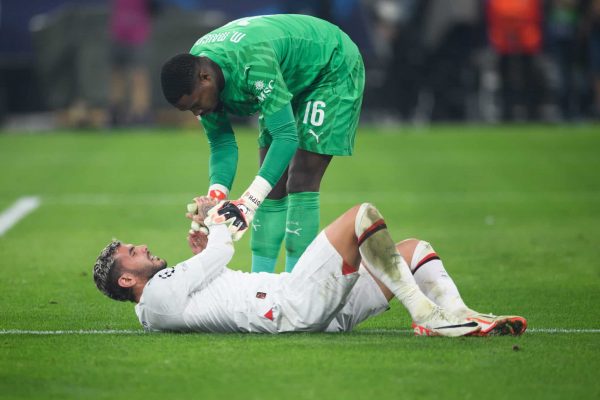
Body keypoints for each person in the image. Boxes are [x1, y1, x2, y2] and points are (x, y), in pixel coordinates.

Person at [93, 197, 527, 336]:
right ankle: (428, 315)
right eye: (132, 251)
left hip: (310, 308)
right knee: (361, 216)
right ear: (128, 279)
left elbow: (214, 280)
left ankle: (459, 314)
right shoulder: (156, 298)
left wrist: (205, 246)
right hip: (295, 304)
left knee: (413, 250)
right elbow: (222, 256)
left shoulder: (162, 301)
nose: (143, 246)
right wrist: (217, 221)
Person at [159, 14, 365, 273]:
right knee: (273, 186)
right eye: (189, 110)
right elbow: (222, 143)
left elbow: (287, 137)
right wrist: (215, 201)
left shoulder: (252, 62)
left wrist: (248, 202)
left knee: (300, 177)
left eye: (196, 105)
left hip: (329, 65)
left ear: (205, 78)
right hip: (287, 74)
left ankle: (296, 289)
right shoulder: (198, 71)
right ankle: (261, 287)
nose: (197, 113)